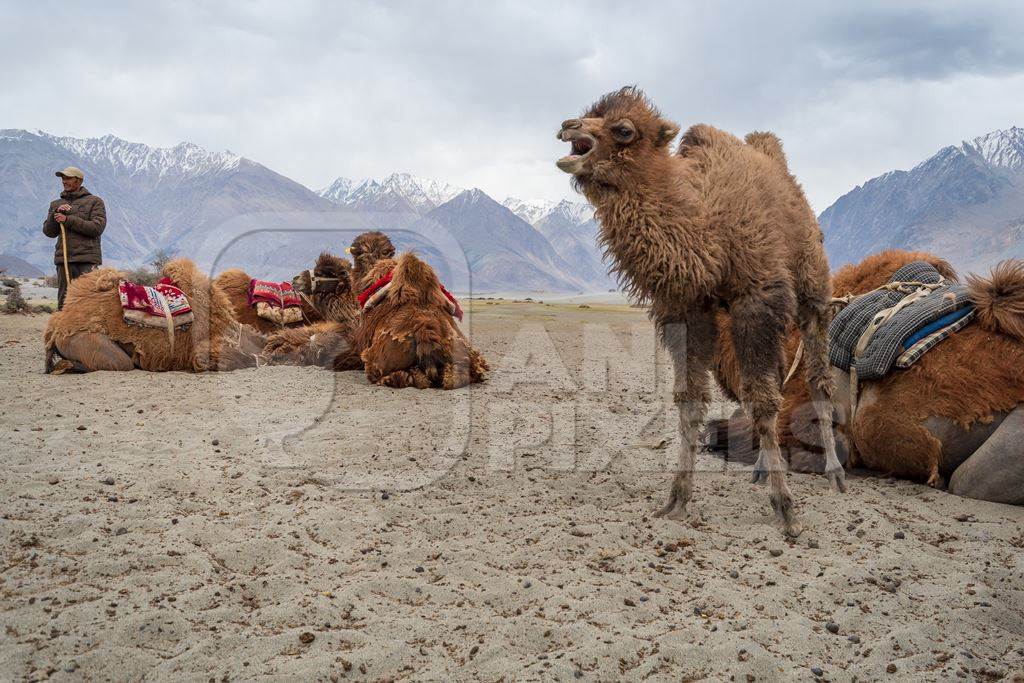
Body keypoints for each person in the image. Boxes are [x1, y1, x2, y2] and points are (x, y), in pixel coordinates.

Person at [42, 166, 107, 309]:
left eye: (68, 178)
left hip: (87, 260)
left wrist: (68, 220)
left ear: (79, 181)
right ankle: (63, 330)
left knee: (88, 301)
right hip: (63, 260)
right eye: (63, 178)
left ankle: (88, 331)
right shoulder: (56, 204)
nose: (64, 181)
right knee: (65, 303)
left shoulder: (94, 202)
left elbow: (96, 228)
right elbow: (49, 232)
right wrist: (55, 214)